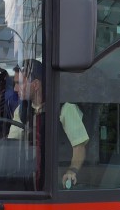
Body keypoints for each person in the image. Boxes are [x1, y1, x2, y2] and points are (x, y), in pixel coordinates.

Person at [9, 59, 88, 189]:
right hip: (28, 179)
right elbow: (11, 143)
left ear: (35, 84)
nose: (15, 89)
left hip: (57, 181)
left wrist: (71, 171)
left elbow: (79, 147)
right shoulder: (21, 111)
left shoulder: (65, 109)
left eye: (19, 83)